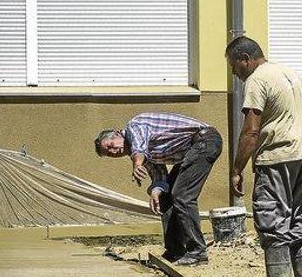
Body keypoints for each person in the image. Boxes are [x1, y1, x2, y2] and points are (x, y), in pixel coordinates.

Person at [226, 36, 302, 277]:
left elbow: (251, 130)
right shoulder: (287, 72)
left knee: (271, 218)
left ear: (246, 59)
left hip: (277, 156)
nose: (234, 73)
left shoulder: (257, 80)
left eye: (234, 66)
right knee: (296, 217)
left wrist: (237, 169)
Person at [94, 113, 222, 266]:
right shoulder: (143, 155)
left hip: (204, 141)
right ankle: (175, 251)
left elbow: (139, 149)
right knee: (165, 197)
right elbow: (159, 174)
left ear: (116, 133)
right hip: (192, 151)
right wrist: (156, 191)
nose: (114, 151)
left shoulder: (134, 126)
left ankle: (198, 252)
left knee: (182, 196)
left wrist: (137, 164)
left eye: (110, 145)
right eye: (109, 154)